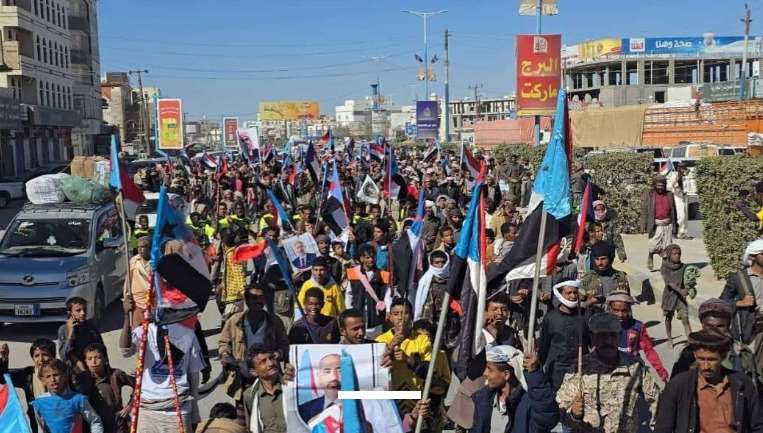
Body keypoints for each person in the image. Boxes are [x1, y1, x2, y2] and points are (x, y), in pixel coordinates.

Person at [556, 313, 659, 433]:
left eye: (612, 335)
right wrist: (574, 414)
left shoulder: (634, 366)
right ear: (593, 338)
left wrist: (658, 427)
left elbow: (655, 400)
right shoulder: (579, 369)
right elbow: (559, 411)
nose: (608, 340)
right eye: (602, 336)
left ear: (619, 336)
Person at [119, 297, 204, 432]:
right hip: (147, 409)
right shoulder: (144, 331)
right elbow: (125, 351)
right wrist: (125, 316)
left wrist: (195, 410)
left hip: (177, 409)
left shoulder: (188, 333)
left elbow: (193, 375)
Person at [654, 330, 763, 433]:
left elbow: (757, 426)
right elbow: (662, 429)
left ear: (723, 356)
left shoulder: (742, 383)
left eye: (712, 360)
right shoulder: (679, 385)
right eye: (701, 359)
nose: (706, 366)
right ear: (695, 355)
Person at [218, 284, 289, 401]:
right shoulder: (234, 321)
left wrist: (277, 354)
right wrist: (225, 354)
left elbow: (285, 345)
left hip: (268, 377)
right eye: (254, 298)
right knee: (243, 409)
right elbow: (223, 342)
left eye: (261, 297)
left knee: (269, 408)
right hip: (242, 377)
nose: (258, 301)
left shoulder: (274, 321)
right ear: (246, 301)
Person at [470, 346, 559, 433]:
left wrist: (535, 374)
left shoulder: (529, 402)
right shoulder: (484, 400)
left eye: (490, 369)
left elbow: (548, 418)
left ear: (506, 374)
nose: (485, 373)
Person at [671, 298, 750, 378]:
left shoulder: (741, 352)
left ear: (728, 326)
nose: (714, 331)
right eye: (709, 326)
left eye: (720, 326)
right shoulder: (688, 352)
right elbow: (676, 381)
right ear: (702, 325)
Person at [606, 290, 669, 382]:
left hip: (633, 367)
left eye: (624, 310)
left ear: (629, 309)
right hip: (611, 370)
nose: (620, 315)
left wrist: (661, 371)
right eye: (616, 310)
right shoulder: (605, 327)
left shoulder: (637, 327)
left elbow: (649, 350)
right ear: (610, 309)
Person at [538, 280, 590, 390]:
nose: (573, 296)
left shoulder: (585, 315)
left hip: (580, 369)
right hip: (557, 370)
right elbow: (543, 346)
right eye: (569, 293)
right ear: (560, 294)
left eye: (575, 292)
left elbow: (592, 343)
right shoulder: (550, 318)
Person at [30, 359, 104, 433]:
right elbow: (41, 429)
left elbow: (95, 420)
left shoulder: (77, 399)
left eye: (56, 375)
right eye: (48, 376)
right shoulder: (40, 402)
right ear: (43, 380)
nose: (53, 379)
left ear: (65, 376)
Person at [74, 342, 134, 433]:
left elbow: (139, 385)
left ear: (105, 358)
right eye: (89, 359)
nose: (94, 362)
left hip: (116, 423)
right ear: (85, 361)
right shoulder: (81, 379)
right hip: (93, 425)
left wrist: (129, 406)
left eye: (98, 357)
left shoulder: (115, 375)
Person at [0, 338, 57, 433]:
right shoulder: (28, 375)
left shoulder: (62, 373)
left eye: (45, 355)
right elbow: (3, 379)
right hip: (37, 427)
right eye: (37, 356)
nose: (41, 359)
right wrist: (4, 359)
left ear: (53, 356)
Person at [721, 239, 763, 345]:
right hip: (748, 331)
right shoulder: (738, 278)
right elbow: (721, 302)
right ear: (752, 257)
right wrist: (741, 303)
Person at [243, 345, 287, 433]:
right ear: (254, 372)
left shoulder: (291, 386)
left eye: (272, 358)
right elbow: (250, 427)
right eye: (263, 361)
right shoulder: (250, 395)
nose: (270, 363)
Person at [660, 244, 697, 346]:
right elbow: (669, 282)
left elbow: (689, 280)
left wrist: (689, 288)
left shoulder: (684, 267)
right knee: (668, 318)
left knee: (685, 318)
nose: (677, 256)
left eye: (679, 254)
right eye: (675, 254)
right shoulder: (664, 268)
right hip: (669, 297)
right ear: (669, 255)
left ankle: (690, 341)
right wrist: (680, 291)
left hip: (681, 299)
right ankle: (669, 338)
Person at [57, 296, 104, 372]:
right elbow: (64, 356)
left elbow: (101, 350)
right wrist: (70, 334)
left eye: (84, 309)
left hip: (92, 368)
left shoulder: (91, 327)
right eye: (78, 310)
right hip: (73, 371)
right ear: (70, 313)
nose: (83, 313)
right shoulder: (63, 329)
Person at [579, 241, 630, 311]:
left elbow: (627, 305)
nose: (599, 263)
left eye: (603, 259)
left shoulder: (621, 277)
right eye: (597, 259)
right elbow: (578, 307)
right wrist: (590, 302)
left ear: (611, 258)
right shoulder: (587, 278)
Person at [640, 175, 676, 271]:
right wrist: (643, 225)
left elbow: (674, 211)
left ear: (665, 185)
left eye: (662, 186)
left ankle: (665, 265)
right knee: (653, 246)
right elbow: (644, 210)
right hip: (655, 225)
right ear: (654, 185)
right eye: (658, 185)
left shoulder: (669, 194)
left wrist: (675, 227)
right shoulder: (649, 195)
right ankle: (650, 255)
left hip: (667, 224)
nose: (660, 188)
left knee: (667, 247)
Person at [297, 353, 342, 423]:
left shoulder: (359, 401)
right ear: (319, 376)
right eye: (327, 372)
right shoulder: (303, 410)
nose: (334, 377)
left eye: (340, 371)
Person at [124, 236, 153, 325]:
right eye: (138, 247)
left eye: (143, 247)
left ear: (149, 248)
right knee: (136, 329)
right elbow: (128, 280)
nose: (140, 249)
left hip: (152, 302)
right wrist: (126, 296)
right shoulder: (134, 261)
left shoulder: (155, 261)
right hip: (137, 303)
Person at [666, 162, 693, 239]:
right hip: (677, 197)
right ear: (678, 168)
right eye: (681, 167)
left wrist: (686, 176)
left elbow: (689, 185)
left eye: (684, 167)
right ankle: (677, 232)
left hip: (685, 196)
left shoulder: (686, 175)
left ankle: (684, 233)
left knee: (685, 216)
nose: (683, 169)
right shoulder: (674, 175)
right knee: (681, 216)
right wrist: (676, 184)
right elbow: (669, 186)